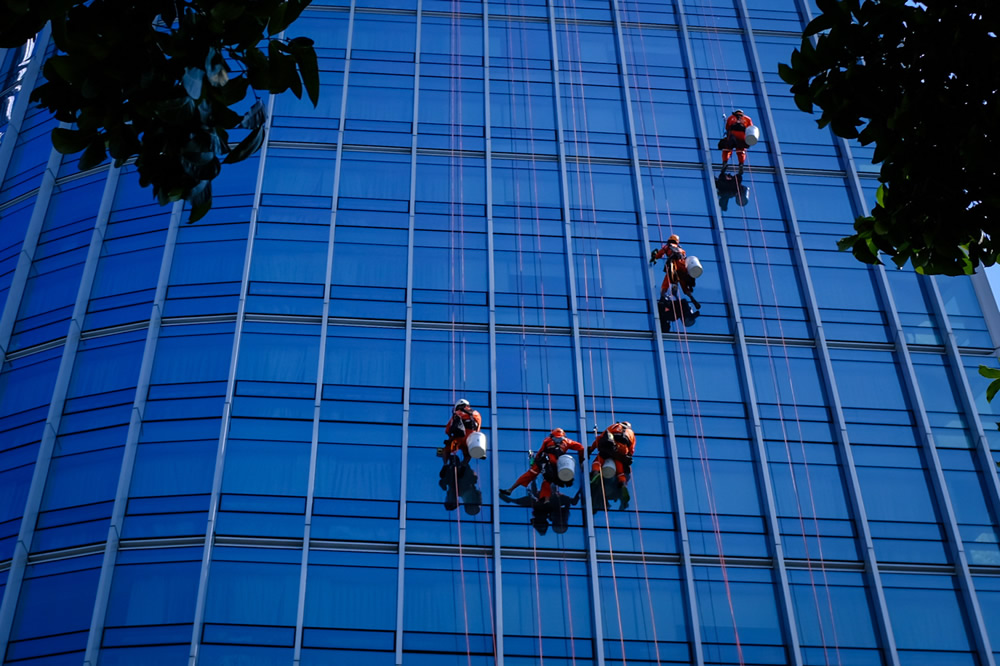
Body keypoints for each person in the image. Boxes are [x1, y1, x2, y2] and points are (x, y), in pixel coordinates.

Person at [500, 428, 585, 503]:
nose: (557, 441)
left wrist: (581, 460)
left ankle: (546, 500)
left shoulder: (568, 442)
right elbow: (541, 450)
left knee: (547, 479)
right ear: (552, 436)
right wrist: (535, 460)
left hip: (555, 464)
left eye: (560, 439)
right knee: (530, 474)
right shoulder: (547, 441)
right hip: (544, 461)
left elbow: (581, 448)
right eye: (555, 438)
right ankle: (510, 489)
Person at [588, 421, 635, 490]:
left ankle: (595, 472)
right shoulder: (631, 433)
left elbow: (600, 438)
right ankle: (622, 483)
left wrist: (591, 450)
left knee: (598, 460)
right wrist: (627, 457)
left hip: (610, 447)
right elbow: (631, 449)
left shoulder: (615, 426)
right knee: (620, 469)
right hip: (622, 450)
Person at [650, 234, 696, 303]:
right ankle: (691, 297)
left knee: (667, 281)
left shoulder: (668, 246)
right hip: (683, 268)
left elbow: (660, 253)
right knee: (684, 284)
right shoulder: (682, 250)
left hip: (674, 266)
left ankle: (663, 296)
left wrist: (655, 256)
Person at [441, 399, 482, 463]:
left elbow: (447, 430)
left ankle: (445, 464)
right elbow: (478, 428)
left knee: (447, 449)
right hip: (470, 439)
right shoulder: (476, 414)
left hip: (459, 437)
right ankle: (464, 464)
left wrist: (450, 436)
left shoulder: (457, 414)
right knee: (468, 454)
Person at [720, 109, 753, 175]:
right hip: (742, 137)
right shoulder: (747, 119)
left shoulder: (731, 117)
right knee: (741, 151)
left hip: (732, 136)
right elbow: (751, 129)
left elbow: (727, 127)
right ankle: (741, 164)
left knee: (727, 149)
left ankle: (725, 163)